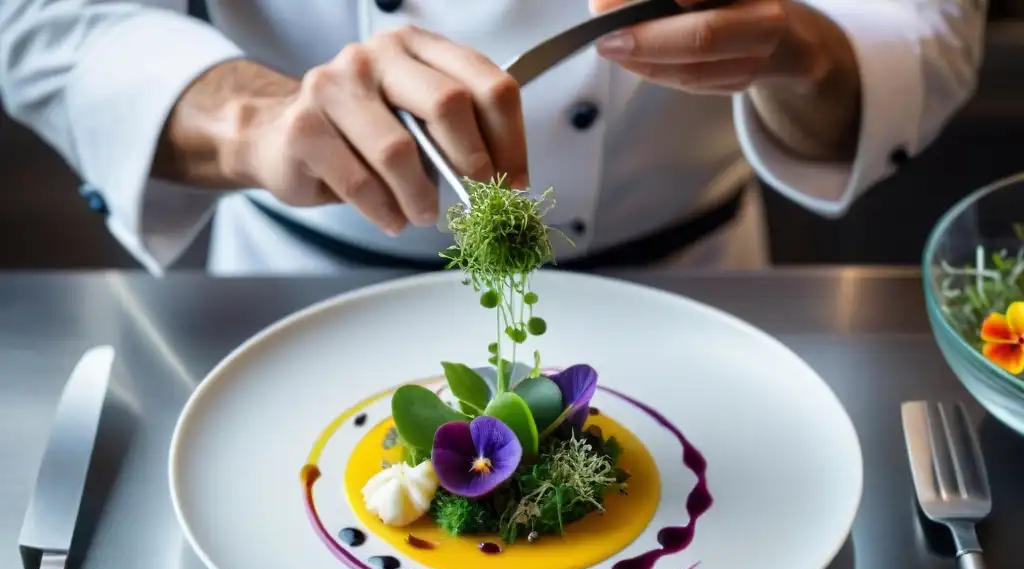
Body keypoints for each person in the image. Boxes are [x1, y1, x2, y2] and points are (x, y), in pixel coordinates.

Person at [0, 0, 985, 275]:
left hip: (694, 285)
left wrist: (806, 47)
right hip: (286, 289)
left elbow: (929, 23)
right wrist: (250, 118)